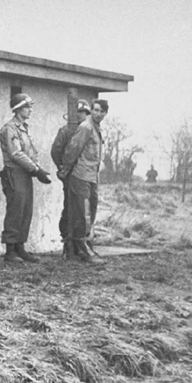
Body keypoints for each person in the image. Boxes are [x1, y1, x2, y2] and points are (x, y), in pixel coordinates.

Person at [0, 93, 51, 264]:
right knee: (15, 210)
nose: (30, 110)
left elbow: (29, 151)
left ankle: (20, 247)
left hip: (25, 173)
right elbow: (15, 153)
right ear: (18, 109)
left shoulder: (23, 128)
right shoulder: (10, 128)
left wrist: (36, 169)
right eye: (27, 107)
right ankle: (10, 251)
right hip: (14, 173)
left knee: (26, 210)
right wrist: (36, 170)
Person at [59, 98, 108, 265]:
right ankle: (82, 249)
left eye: (102, 111)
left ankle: (87, 245)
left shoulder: (97, 128)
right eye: (95, 110)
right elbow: (73, 148)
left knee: (91, 211)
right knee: (82, 213)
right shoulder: (86, 127)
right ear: (91, 111)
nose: (98, 114)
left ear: (105, 113)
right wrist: (65, 170)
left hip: (92, 176)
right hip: (80, 175)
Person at [50, 99, 91, 249]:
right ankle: (68, 241)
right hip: (70, 175)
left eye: (83, 112)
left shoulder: (89, 130)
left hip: (86, 176)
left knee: (84, 209)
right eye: (77, 112)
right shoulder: (66, 130)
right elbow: (56, 151)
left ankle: (82, 241)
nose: (80, 115)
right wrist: (63, 168)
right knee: (70, 207)